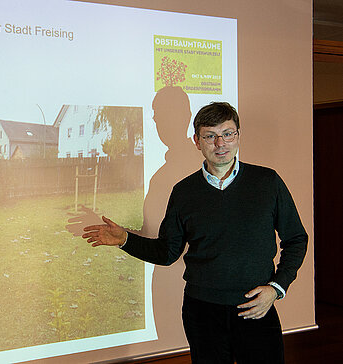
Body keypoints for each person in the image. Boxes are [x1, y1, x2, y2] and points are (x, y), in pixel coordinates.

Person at [82, 102, 308, 364]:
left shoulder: (268, 182)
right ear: (197, 141)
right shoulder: (184, 192)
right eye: (210, 136)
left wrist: (276, 288)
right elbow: (167, 252)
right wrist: (124, 240)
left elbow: (296, 239)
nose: (220, 143)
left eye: (228, 133)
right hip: (202, 312)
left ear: (238, 136)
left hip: (257, 309)